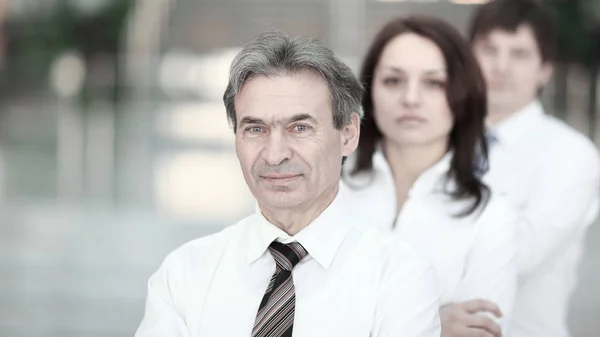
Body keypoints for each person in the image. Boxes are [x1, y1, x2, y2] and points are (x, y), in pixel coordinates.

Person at [135, 30, 442, 337]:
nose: (275, 154)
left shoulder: (400, 277)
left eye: (300, 127)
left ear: (348, 134)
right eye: (255, 129)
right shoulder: (184, 274)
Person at [341, 16, 517, 337]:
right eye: (394, 80)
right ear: (370, 93)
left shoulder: (490, 214)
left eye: (434, 83)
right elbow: (295, 314)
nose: (411, 98)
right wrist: (433, 323)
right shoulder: (329, 190)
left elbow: (480, 330)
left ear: (463, 95)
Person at [467, 1, 600, 336]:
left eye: (519, 54)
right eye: (489, 50)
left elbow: (517, 259)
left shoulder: (571, 155)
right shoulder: (438, 139)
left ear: (545, 69)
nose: (501, 66)